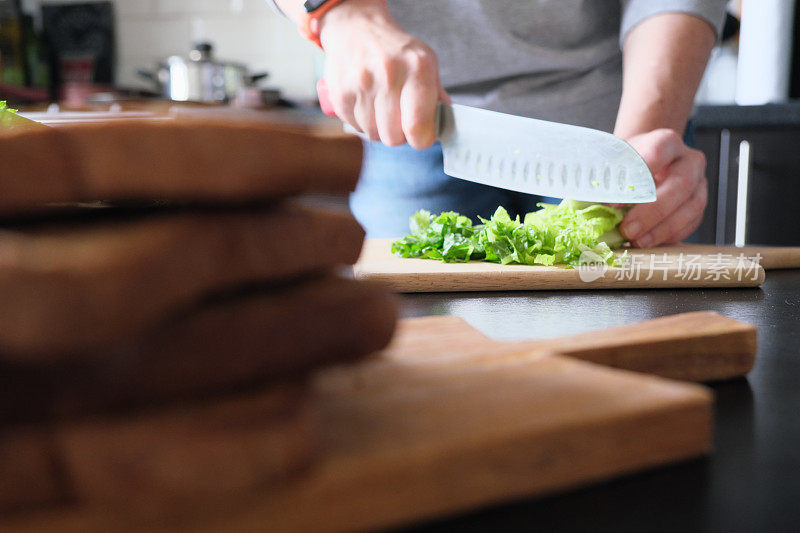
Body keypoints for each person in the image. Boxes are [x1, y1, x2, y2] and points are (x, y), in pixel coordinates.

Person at [269, 0, 726, 244]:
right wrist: (343, 13)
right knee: (419, 352)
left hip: (611, 124)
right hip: (407, 123)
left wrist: (644, 138)